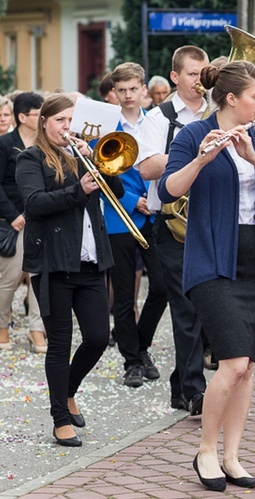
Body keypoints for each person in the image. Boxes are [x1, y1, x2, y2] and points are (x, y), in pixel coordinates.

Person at [159, 60, 255, 492]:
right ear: (232, 98)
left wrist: (252, 155)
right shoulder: (194, 134)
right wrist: (201, 160)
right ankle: (205, 451)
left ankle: (232, 456)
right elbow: (167, 190)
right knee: (232, 363)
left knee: (246, 368)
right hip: (211, 261)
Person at [16, 93, 124, 447]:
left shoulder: (83, 155)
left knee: (96, 337)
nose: (66, 127)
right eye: (60, 120)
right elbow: (34, 203)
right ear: (44, 121)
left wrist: (100, 162)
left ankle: (69, 390)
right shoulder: (30, 159)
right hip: (53, 264)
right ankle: (60, 418)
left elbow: (117, 192)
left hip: (90, 262)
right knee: (59, 343)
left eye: (71, 120)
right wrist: (77, 190)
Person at [138, 45, 209, 415]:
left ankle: (181, 386)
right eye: (194, 74)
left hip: (210, 220)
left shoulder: (218, 112)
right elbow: (148, 168)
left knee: (205, 305)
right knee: (186, 306)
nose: (201, 80)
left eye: (204, 73)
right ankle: (196, 390)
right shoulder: (158, 118)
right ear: (176, 77)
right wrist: (196, 154)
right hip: (172, 224)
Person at [106, 62, 168, 388]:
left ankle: (141, 347)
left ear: (143, 89)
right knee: (123, 296)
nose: (128, 95)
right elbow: (103, 170)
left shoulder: (157, 122)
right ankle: (132, 361)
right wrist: (131, 200)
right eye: (122, 90)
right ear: (114, 92)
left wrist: (152, 200)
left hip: (154, 215)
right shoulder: (107, 124)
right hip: (119, 217)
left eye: (133, 89)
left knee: (162, 285)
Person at [0, 92, 45, 352]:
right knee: (9, 279)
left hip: (41, 219)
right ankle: (2, 326)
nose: (41, 119)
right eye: (37, 114)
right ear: (22, 117)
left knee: (40, 277)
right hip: (14, 222)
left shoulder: (43, 142)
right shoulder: (5, 143)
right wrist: (13, 215)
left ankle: (36, 330)